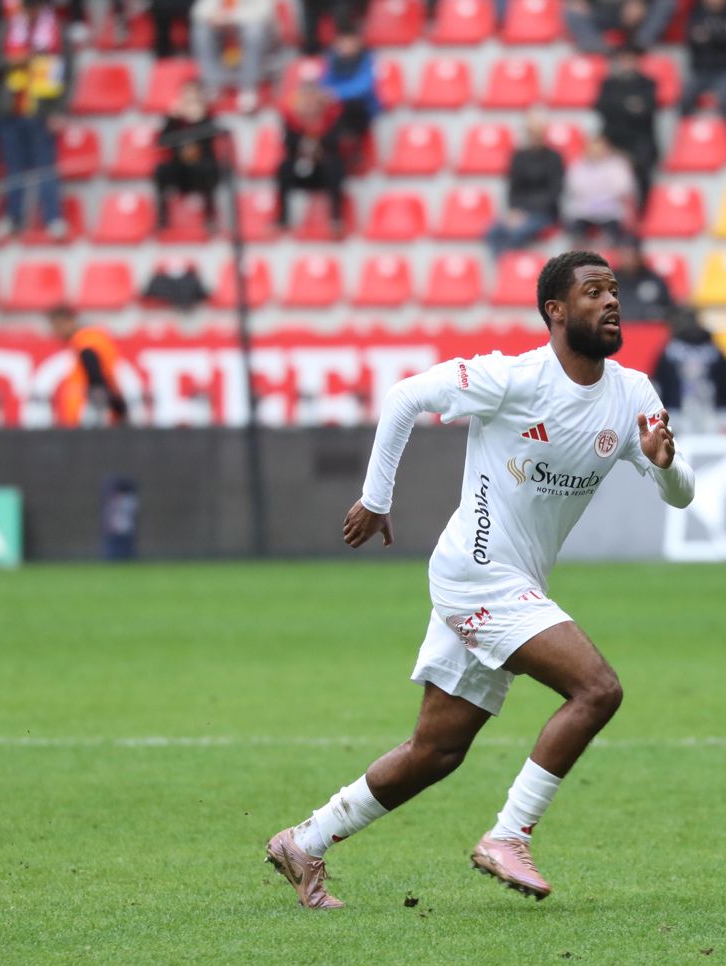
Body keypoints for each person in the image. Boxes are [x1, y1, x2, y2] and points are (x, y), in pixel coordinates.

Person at [265, 250, 696, 909]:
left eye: (614, 290)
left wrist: (664, 464)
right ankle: (509, 835)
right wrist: (376, 499)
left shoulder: (633, 392)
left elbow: (680, 495)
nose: (612, 301)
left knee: (436, 750)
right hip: (477, 572)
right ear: (555, 310)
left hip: (514, 583)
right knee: (597, 689)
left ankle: (304, 841)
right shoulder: (513, 378)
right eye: (593, 292)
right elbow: (405, 396)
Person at [0, 0, 71, 240]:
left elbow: (68, 72)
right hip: (10, 109)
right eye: (28, 7)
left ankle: (53, 218)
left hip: (42, 110)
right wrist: (12, 61)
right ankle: (13, 217)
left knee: (46, 167)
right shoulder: (6, 27)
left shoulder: (56, 29)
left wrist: (59, 110)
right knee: (13, 168)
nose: (32, 11)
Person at [485, 110, 565, 259]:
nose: (534, 136)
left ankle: (513, 266)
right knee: (493, 232)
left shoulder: (554, 158)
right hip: (520, 211)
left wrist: (525, 213)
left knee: (517, 234)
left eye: (537, 132)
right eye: (531, 132)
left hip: (544, 213)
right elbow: (513, 189)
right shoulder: (518, 156)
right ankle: (503, 267)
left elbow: (554, 192)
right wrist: (514, 211)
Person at [275, 75, 345, 234]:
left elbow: (335, 141)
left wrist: (317, 146)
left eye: (313, 95)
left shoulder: (331, 116)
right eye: (306, 95)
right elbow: (288, 144)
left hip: (323, 168)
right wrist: (303, 145)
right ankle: (282, 218)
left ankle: (336, 218)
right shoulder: (291, 118)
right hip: (300, 166)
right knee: (284, 168)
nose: (309, 100)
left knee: (334, 166)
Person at [594, 46, 659, 210]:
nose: (627, 63)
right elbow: (601, 107)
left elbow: (647, 111)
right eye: (623, 59)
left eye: (630, 59)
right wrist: (629, 105)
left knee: (642, 166)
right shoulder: (608, 84)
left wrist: (618, 106)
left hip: (640, 138)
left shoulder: (647, 83)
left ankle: (642, 209)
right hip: (613, 137)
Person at [154, 79, 219, 231]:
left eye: (193, 94)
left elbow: (210, 141)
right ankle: (163, 218)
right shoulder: (176, 119)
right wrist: (172, 119)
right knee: (162, 170)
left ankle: (210, 217)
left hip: (202, 166)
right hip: (181, 167)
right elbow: (162, 142)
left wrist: (199, 119)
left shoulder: (208, 116)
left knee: (207, 169)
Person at [49, 305, 129, 427]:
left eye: (57, 326)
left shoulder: (84, 340)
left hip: (86, 410)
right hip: (95, 405)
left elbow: (94, 371)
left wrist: (107, 402)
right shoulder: (95, 337)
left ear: (68, 321)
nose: (56, 332)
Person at [679, 0, 726, 126]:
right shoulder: (697, 12)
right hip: (700, 68)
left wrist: (710, 35)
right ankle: (686, 133)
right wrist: (724, 32)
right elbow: (691, 38)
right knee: (684, 98)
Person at [191, 0, 272, 114]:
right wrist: (212, 16)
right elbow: (198, 11)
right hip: (223, 28)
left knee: (254, 31)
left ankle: (249, 87)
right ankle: (212, 84)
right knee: (201, 30)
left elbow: (264, 12)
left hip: (251, 26)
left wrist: (231, 17)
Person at [652, 305, 726, 413]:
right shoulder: (714, 350)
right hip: (713, 413)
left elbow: (658, 384)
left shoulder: (670, 351)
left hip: (676, 413)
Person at [562, 133, 637, 246]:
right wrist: (601, 190)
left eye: (599, 149)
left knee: (613, 232)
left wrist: (598, 193)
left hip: (610, 210)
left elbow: (623, 188)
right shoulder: (578, 165)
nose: (596, 152)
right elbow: (574, 187)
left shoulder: (617, 165)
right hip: (584, 210)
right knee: (575, 229)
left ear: (606, 149)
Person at [319, 28, 379, 160]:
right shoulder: (332, 60)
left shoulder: (366, 60)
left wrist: (336, 93)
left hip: (362, 109)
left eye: (349, 42)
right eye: (342, 42)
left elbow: (364, 87)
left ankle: (352, 145)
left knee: (352, 105)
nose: (346, 46)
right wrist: (327, 95)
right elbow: (324, 83)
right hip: (337, 106)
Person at [562, 0, 677, 55]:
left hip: (637, 13)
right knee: (572, 9)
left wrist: (639, 2)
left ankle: (641, 44)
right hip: (600, 9)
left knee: (666, 2)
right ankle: (597, 50)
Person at [612, 241, 674, 322]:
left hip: (649, 328)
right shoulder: (608, 281)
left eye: (632, 254)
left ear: (640, 255)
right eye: (625, 254)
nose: (629, 259)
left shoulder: (655, 281)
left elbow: (669, 309)